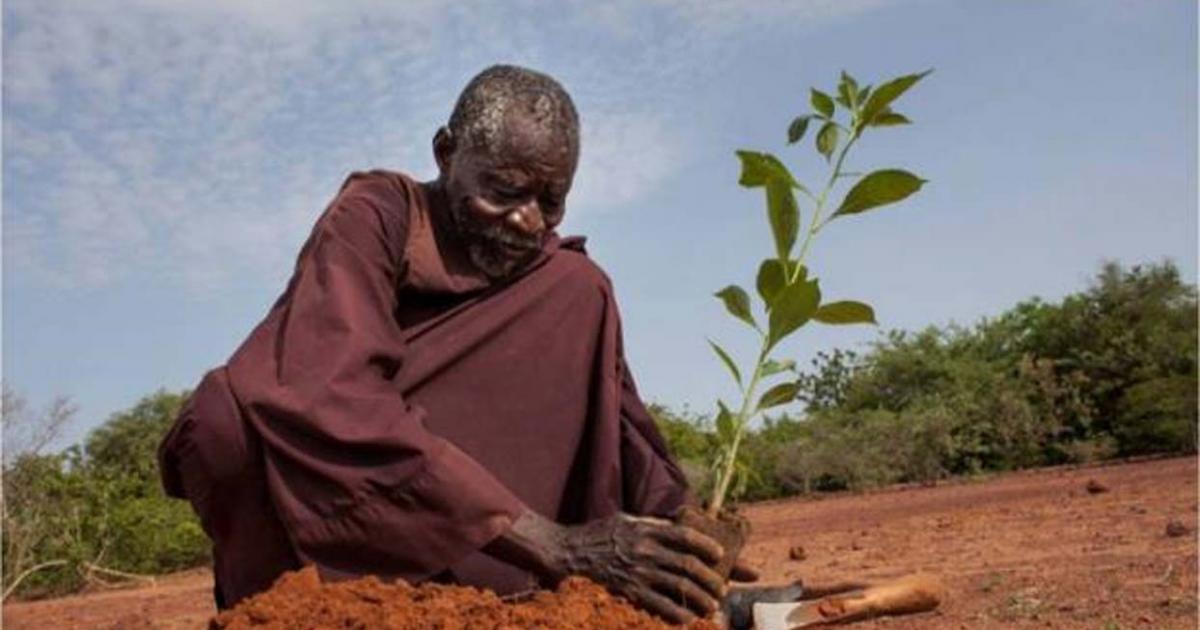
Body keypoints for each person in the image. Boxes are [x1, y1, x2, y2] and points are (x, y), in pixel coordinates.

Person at [159, 64, 760, 624]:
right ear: (446, 154)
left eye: (549, 201)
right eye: (503, 191)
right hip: (333, 511)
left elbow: (618, 415)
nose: (527, 220)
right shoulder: (376, 216)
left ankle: (506, 591)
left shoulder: (561, 284)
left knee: (580, 288)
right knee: (226, 417)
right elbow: (327, 390)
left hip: (475, 539)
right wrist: (553, 545)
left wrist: (682, 529)